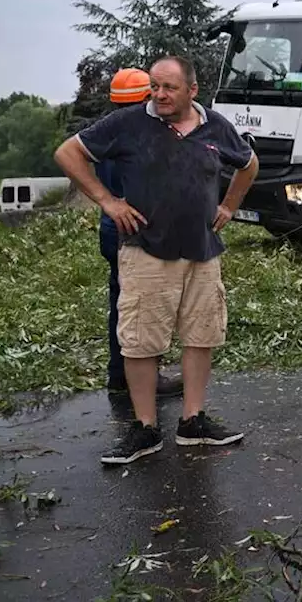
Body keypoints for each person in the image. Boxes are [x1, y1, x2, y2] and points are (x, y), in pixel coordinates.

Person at [54, 55, 259, 465]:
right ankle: (145, 429)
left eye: (169, 88)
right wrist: (109, 203)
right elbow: (68, 154)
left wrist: (230, 206)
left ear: (192, 90)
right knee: (140, 342)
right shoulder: (128, 123)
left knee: (202, 336)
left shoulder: (215, 126)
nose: (160, 95)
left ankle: (193, 422)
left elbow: (249, 164)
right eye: (155, 86)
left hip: (202, 251)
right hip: (145, 250)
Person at [101, 68, 184, 399]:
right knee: (145, 307)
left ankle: (119, 374)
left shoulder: (107, 133)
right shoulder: (141, 138)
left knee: (121, 303)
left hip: (111, 230)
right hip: (138, 232)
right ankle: (144, 380)